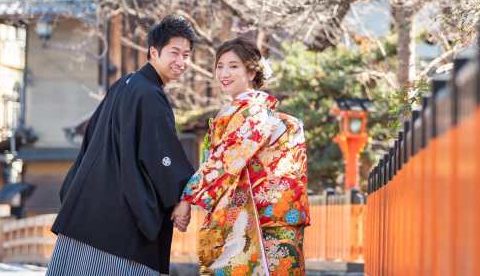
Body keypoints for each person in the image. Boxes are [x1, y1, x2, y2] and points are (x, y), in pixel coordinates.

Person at [47, 14, 198, 276]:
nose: (181, 61)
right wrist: (183, 196)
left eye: (186, 55)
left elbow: (90, 141)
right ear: (154, 52)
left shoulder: (124, 84)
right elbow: (160, 156)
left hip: (87, 208)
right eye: (174, 53)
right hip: (119, 222)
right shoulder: (149, 94)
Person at [175, 37, 310, 276]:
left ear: (251, 73)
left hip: (264, 218)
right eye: (220, 66)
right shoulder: (247, 110)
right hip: (264, 215)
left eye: (233, 66)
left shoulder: (252, 112)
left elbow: (224, 162)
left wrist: (186, 200)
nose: (224, 73)